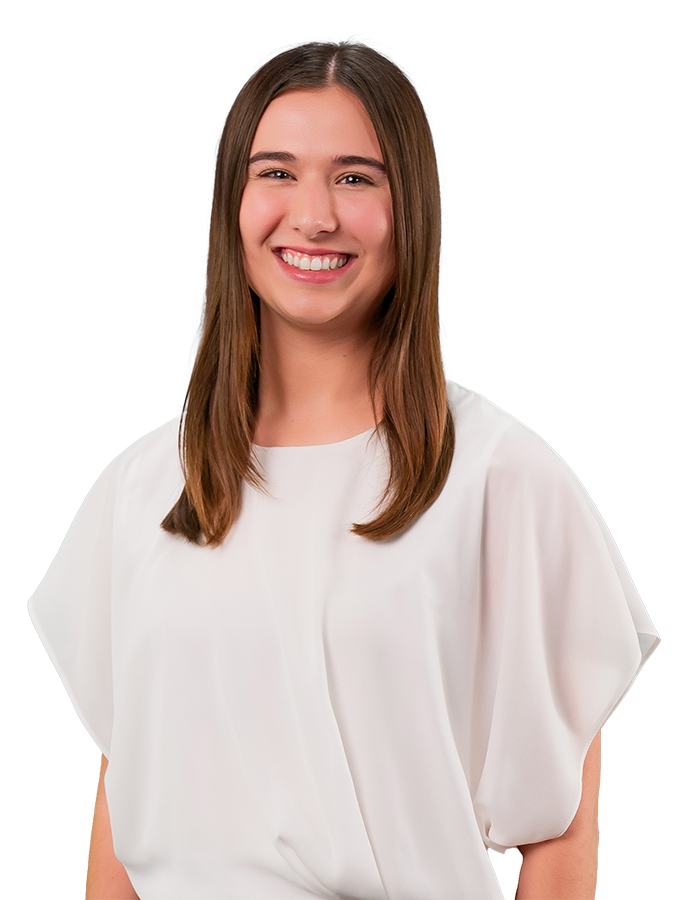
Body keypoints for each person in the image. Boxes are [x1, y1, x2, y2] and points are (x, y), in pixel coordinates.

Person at [28, 40, 660, 900]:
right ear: (232, 203)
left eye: (356, 178)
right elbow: (127, 794)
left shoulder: (505, 481)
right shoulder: (140, 492)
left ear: (412, 210)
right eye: (276, 173)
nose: (314, 216)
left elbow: (559, 825)